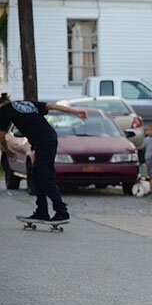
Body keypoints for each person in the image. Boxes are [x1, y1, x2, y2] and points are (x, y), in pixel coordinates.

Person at [0, 94, 87, 222]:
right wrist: (75, 111)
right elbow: (52, 106)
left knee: (45, 177)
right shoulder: (26, 103)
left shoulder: (4, 110)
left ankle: (62, 211)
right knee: (36, 176)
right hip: (45, 140)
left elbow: (1, 136)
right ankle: (42, 211)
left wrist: (8, 151)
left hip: (44, 142)